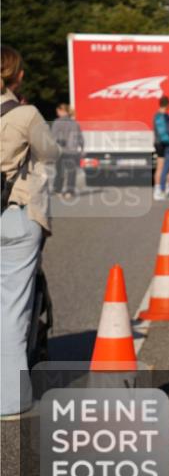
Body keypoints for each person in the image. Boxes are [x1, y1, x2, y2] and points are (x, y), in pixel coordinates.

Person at [1, 45, 60, 419]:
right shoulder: (24, 113)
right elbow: (50, 153)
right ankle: (10, 400)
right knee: (11, 309)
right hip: (14, 214)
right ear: (16, 75)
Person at [51, 103, 83, 200]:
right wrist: (81, 148)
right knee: (71, 172)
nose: (57, 113)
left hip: (61, 151)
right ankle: (69, 191)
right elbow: (80, 138)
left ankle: (58, 190)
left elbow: (53, 137)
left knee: (59, 171)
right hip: (72, 151)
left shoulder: (57, 122)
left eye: (58, 111)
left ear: (62, 111)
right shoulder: (75, 123)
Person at [152, 97, 169, 200]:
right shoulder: (163, 116)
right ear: (167, 105)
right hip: (164, 144)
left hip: (160, 143)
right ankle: (161, 190)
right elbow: (167, 132)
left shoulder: (157, 116)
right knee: (163, 167)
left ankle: (163, 189)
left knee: (164, 167)